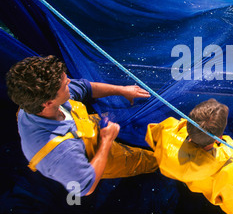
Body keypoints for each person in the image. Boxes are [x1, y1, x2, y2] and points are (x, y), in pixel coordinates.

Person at [6, 55, 159, 197]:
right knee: (141, 160)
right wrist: (106, 141)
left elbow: (86, 88)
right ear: (48, 103)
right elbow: (85, 187)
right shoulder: (60, 153)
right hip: (91, 153)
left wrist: (123, 90)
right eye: (65, 85)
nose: (70, 83)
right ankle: (156, 162)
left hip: (83, 128)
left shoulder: (37, 104)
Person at [145, 98, 233, 214]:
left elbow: (153, 135)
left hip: (186, 181)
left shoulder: (168, 133)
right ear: (219, 138)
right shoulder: (226, 169)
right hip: (212, 193)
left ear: (189, 125)